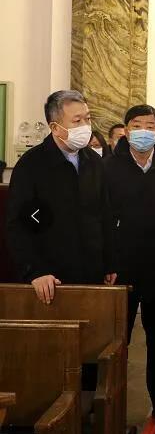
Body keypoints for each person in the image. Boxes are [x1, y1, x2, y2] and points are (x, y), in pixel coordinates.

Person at [104, 104, 155, 429]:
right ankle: (110, 407)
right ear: (126, 130)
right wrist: (106, 263)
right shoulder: (108, 167)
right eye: (136, 125)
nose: (143, 131)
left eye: (150, 126)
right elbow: (102, 220)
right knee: (115, 341)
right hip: (120, 268)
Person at [5, 90, 116, 304]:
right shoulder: (31, 165)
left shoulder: (94, 162)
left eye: (87, 119)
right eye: (77, 121)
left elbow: (104, 214)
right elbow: (18, 225)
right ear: (55, 127)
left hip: (92, 273)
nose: (85, 126)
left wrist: (110, 262)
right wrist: (35, 271)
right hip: (50, 277)